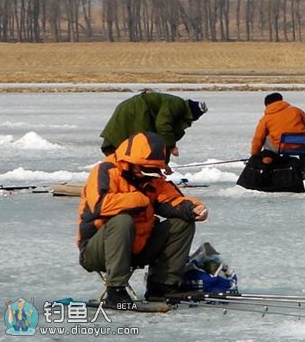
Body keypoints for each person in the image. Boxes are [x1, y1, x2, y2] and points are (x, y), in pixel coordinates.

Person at [78, 131, 208, 307]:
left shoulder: (151, 177)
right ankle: (115, 290)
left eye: (151, 170)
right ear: (129, 162)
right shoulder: (105, 171)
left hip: (138, 248)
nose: (145, 174)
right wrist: (139, 199)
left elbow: (171, 199)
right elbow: (99, 205)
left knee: (182, 223)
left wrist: (193, 208)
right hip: (98, 251)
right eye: (143, 169)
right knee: (122, 221)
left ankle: (161, 288)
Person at [100, 91, 207, 172]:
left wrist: (164, 164)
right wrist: (172, 146)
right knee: (141, 144)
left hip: (135, 110)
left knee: (136, 146)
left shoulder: (177, 112)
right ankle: (116, 174)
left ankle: (124, 172)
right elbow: (162, 125)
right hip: (137, 109)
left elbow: (164, 138)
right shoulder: (177, 104)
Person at [250, 92, 305, 156]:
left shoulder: (266, 118)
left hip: (281, 147)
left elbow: (258, 138)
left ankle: (270, 159)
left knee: (267, 138)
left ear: (267, 105)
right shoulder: (297, 111)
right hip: (302, 144)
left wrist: (255, 154)